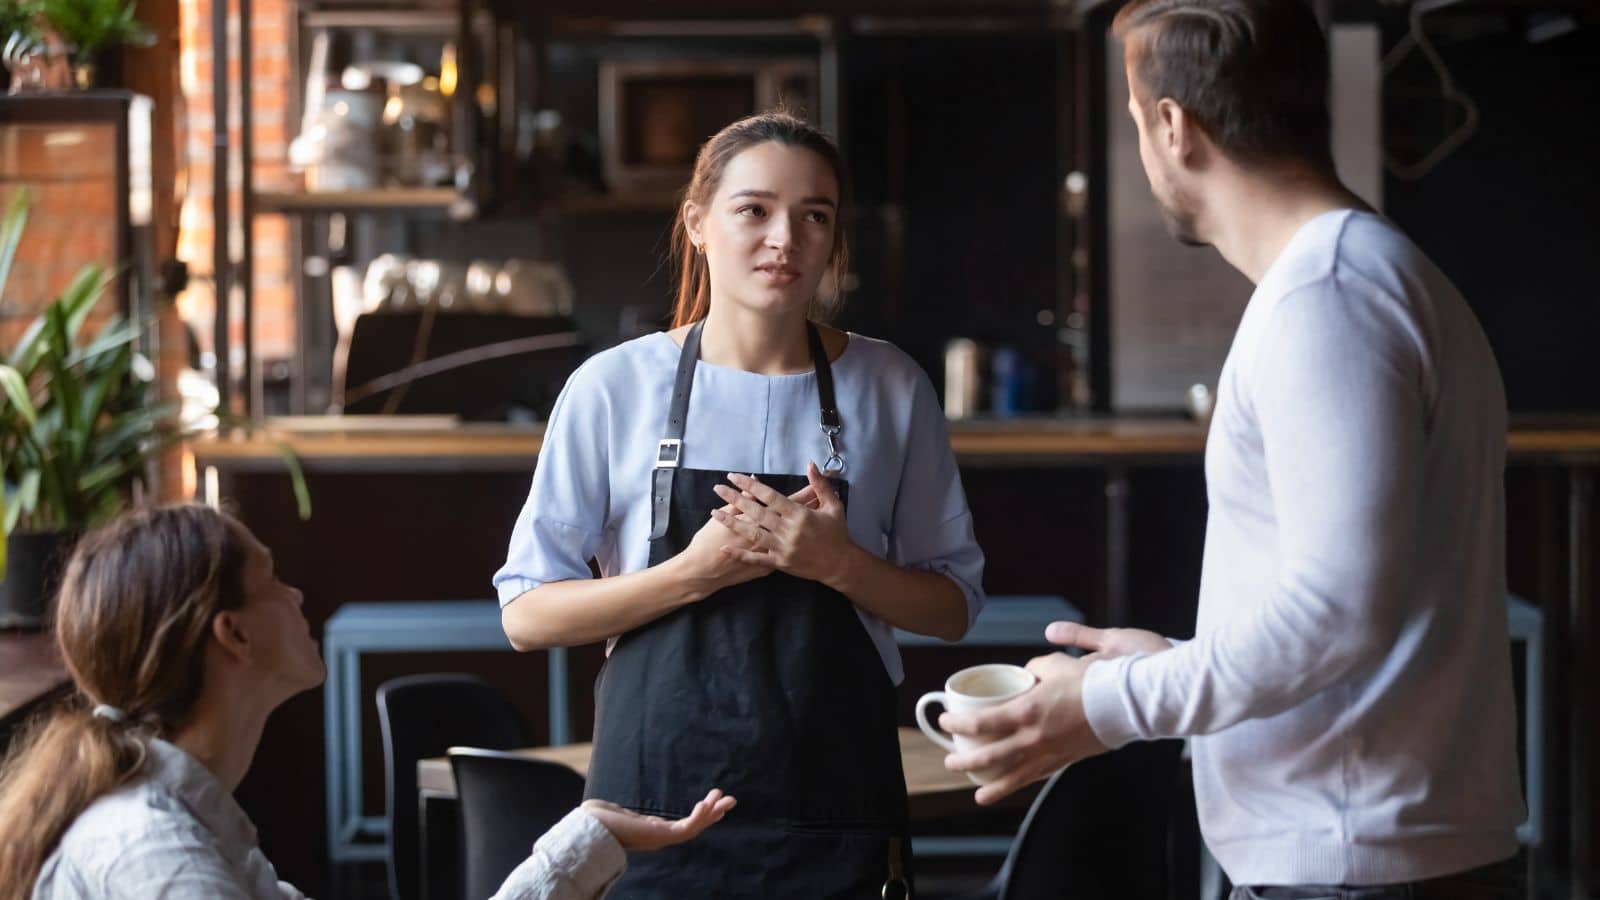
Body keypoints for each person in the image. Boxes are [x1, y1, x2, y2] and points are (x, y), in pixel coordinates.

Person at [939, 2, 1525, 898]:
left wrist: (1105, 702)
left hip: (1355, 868)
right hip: (1375, 856)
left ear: (1173, 126)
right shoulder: (1364, 274)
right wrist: (1164, 665)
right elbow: (1351, 609)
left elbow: (1334, 613)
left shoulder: (1327, 297)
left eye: (1137, 120)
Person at [495, 110, 986, 898]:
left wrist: (839, 564)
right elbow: (527, 615)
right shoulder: (613, 388)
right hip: (649, 814)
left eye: (814, 215)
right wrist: (692, 574)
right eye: (754, 209)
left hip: (836, 807)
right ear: (697, 223)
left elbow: (953, 608)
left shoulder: (891, 386)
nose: (785, 239)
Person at [0, 504, 735, 900]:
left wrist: (585, 841)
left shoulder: (194, 825)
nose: (296, 595)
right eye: (272, 581)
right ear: (233, 635)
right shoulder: (157, 856)